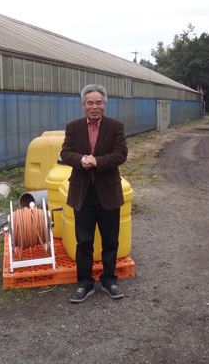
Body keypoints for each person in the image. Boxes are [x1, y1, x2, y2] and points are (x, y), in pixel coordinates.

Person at [60, 84, 128, 303]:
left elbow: (120, 154)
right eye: (90, 102)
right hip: (82, 193)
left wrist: (96, 161)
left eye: (99, 102)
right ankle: (85, 284)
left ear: (104, 105)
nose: (95, 106)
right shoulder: (73, 127)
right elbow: (65, 152)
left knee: (110, 241)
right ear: (83, 106)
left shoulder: (115, 127)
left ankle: (109, 281)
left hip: (108, 192)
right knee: (84, 241)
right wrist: (81, 160)